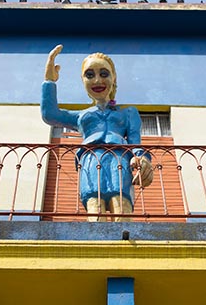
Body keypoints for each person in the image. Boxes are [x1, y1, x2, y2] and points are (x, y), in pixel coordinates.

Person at [41, 44, 153, 221]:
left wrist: (143, 159)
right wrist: (49, 81)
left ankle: (124, 248)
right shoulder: (82, 115)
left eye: (104, 74)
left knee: (121, 204)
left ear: (113, 78)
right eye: (90, 75)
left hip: (119, 160)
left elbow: (135, 143)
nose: (97, 81)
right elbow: (50, 115)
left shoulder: (128, 112)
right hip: (90, 160)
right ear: (83, 80)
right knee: (94, 204)